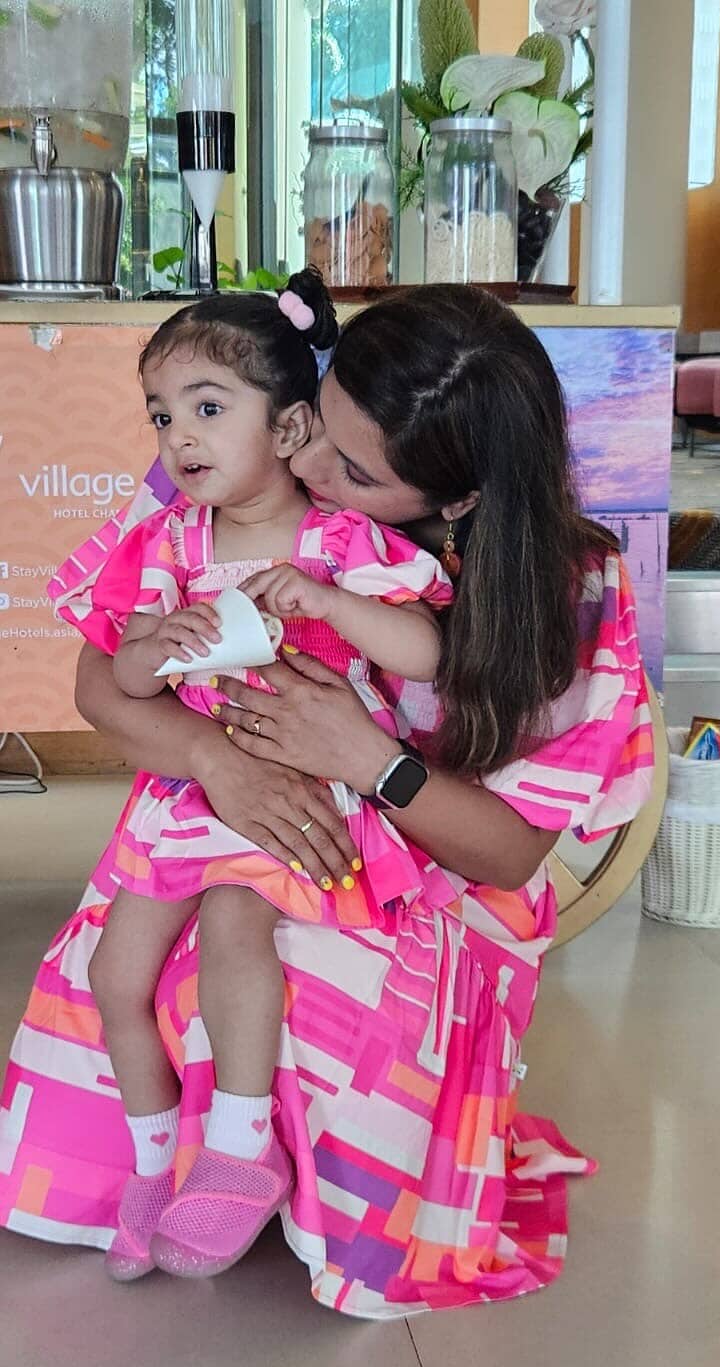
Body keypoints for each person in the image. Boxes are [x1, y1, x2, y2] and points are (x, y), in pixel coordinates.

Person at [0, 286, 654, 1319]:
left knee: (271, 969)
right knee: (115, 969)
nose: (303, 464)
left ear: (455, 503)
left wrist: (368, 759)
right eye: (312, 421)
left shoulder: (565, 591)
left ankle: (269, 1165)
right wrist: (220, 762)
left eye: (353, 469)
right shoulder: (231, 448)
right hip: (233, 803)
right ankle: (167, 1169)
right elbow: (101, 681)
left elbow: (507, 854)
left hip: (432, 870)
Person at [63, 276, 453, 1283]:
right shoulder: (167, 543)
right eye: (162, 415)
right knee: (114, 975)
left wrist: (329, 602)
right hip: (187, 795)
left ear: (287, 429)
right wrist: (157, 646)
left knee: (238, 933)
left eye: (206, 408)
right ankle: (152, 1167)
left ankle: (238, 1153)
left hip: (302, 785)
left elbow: (422, 651)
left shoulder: (340, 542)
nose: (178, 437)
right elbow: (122, 679)